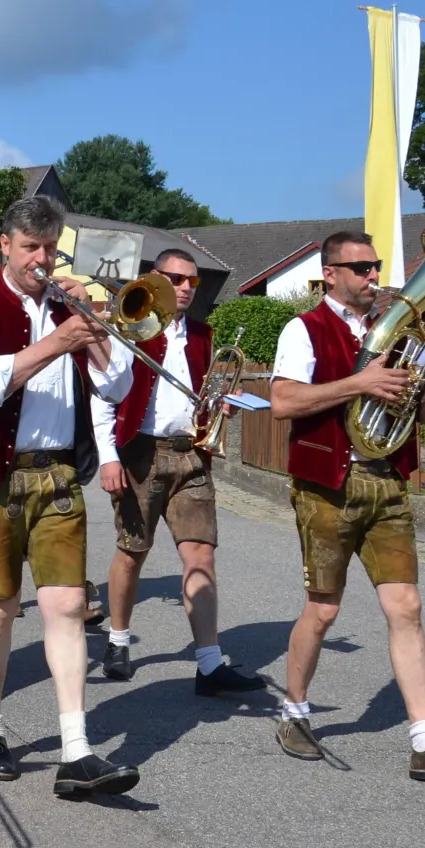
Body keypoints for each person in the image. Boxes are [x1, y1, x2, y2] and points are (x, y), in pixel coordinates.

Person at [268, 230, 425, 781]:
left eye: (376, 265)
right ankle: (294, 711)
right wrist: (359, 382)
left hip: (386, 481)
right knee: (323, 611)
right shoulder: (304, 328)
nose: (373, 276)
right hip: (327, 485)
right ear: (330, 274)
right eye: (360, 268)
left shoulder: (402, 333)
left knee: (407, 606)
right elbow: (283, 402)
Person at [0, 196, 139, 797]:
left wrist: (96, 331)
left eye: (51, 249)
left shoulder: (70, 305)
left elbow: (118, 383)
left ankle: (76, 750)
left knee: (66, 609)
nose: (42, 260)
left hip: (56, 475)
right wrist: (59, 341)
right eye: (31, 248)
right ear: (6, 245)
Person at [89, 248, 265, 694]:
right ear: (155, 279)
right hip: (140, 454)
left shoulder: (204, 335)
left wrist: (221, 406)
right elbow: (102, 396)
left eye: (192, 281)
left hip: (191, 454)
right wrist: (108, 457)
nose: (185, 287)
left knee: (201, 555)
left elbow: (201, 391)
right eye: (177, 279)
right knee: (133, 551)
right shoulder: (131, 326)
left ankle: (208, 663)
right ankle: (118, 639)